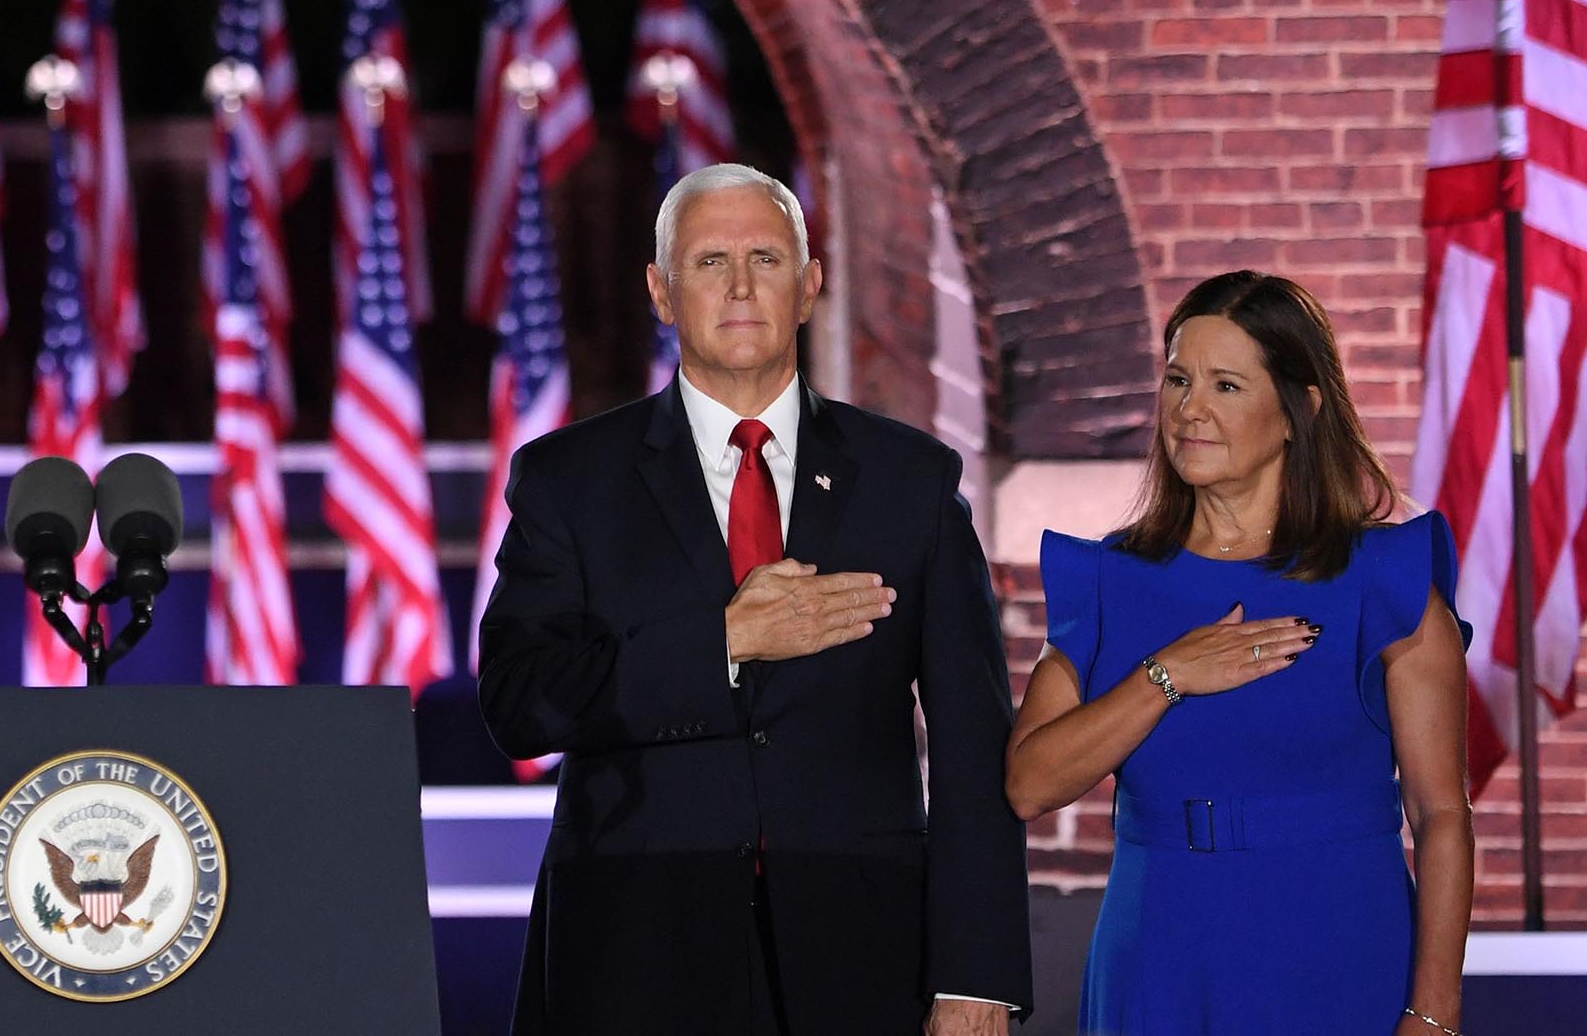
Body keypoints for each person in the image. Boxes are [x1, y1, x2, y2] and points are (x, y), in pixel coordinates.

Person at [478, 162, 1029, 1035]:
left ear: (810, 287)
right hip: (633, 962)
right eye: (709, 262)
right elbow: (519, 703)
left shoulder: (909, 482)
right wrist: (722, 642)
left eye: (767, 259)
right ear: (661, 292)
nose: (740, 285)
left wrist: (978, 973)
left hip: (862, 960)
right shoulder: (567, 481)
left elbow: (972, 748)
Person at [1006, 272, 1470, 1035]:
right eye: (1178, 380)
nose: (1190, 410)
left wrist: (1435, 1010)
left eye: (1226, 386)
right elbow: (1028, 786)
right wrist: (1168, 676)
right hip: (1161, 957)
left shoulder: (1385, 580)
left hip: (1344, 953)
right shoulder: (1108, 581)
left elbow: (1441, 813)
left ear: (1299, 410)